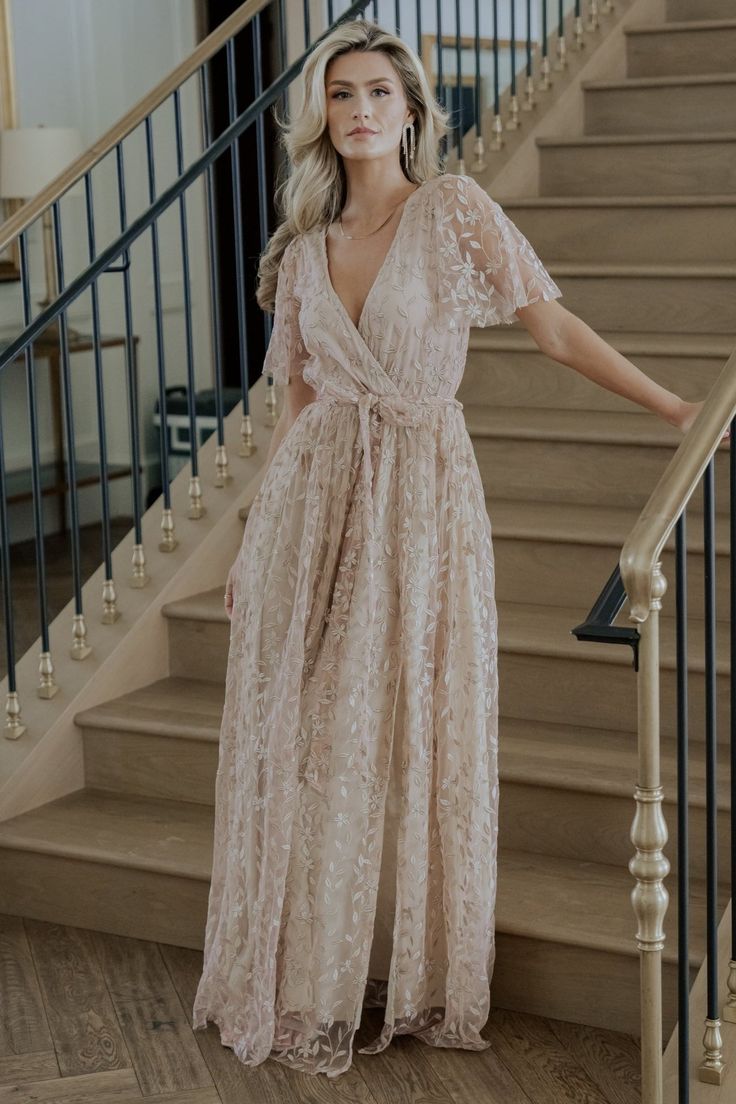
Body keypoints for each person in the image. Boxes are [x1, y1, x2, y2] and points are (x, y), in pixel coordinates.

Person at [192, 17, 723, 1080]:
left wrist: (674, 407)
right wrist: (253, 546)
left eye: (378, 92)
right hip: (314, 501)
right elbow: (292, 403)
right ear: (320, 116)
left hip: (421, 493)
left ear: (412, 110)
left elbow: (552, 326)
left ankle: (421, 971)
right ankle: (302, 982)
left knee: (413, 729)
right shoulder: (301, 249)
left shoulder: (451, 213)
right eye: (339, 94)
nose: (358, 111)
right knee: (301, 738)